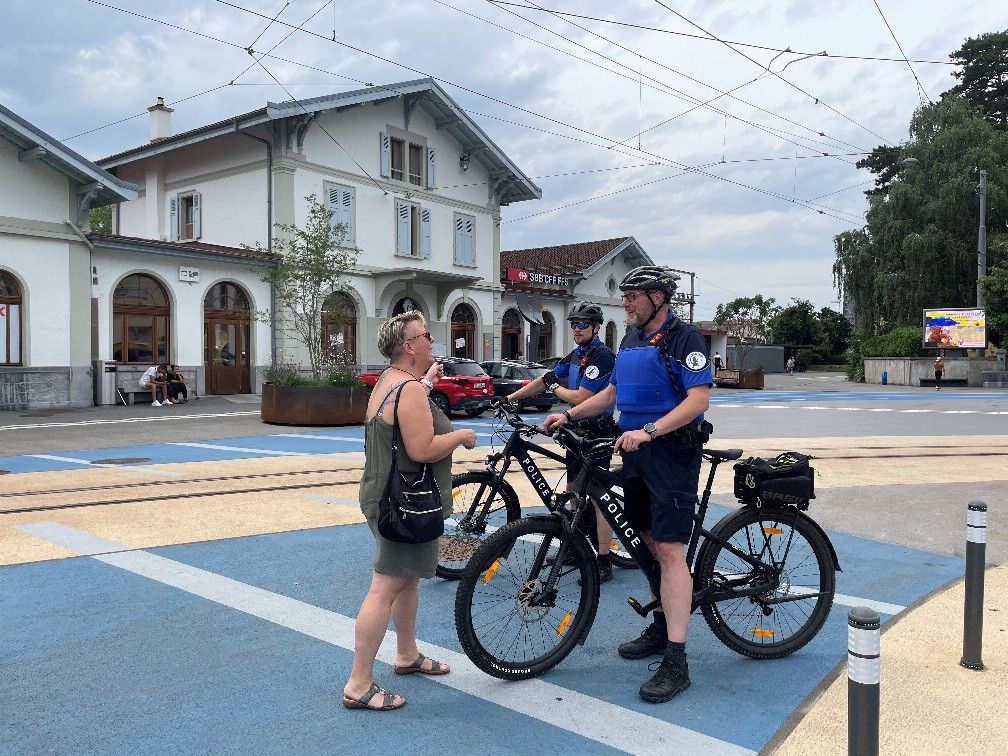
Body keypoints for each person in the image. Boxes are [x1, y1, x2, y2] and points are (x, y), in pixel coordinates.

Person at [544, 265, 712, 704]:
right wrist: (569, 414)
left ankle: (677, 660)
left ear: (658, 298)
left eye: (633, 296)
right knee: (646, 541)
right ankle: (661, 626)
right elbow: (612, 392)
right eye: (625, 296)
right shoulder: (632, 340)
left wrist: (652, 431)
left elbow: (699, 399)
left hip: (671, 455)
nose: (625, 303)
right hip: (634, 452)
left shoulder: (685, 338)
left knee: (670, 551)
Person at [344, 311, 477, 712]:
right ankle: (359, 683)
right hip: (403, 504)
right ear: (408, 346)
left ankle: (406, 653)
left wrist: (427, 383)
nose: (432, 341)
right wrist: (460, 435)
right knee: (385, 587)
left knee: (408, 581)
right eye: (425, 336)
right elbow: (422, 449)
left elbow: (404, 416)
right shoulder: (411, 390)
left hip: (384, 495)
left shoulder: (391, 381)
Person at [503, 301, 618, 582]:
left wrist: (555, 388)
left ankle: (604, 560)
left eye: (582, 325)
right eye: (573, 324)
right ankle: (576, 548)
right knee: (572, 491)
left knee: (598, 497)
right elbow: (546, 379)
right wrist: (509, 398)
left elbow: (581, 397)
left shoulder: (602, 357)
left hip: (597, 433)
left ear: (596, 328)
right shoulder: (576, 354)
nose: (576, 329)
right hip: (575, 432)